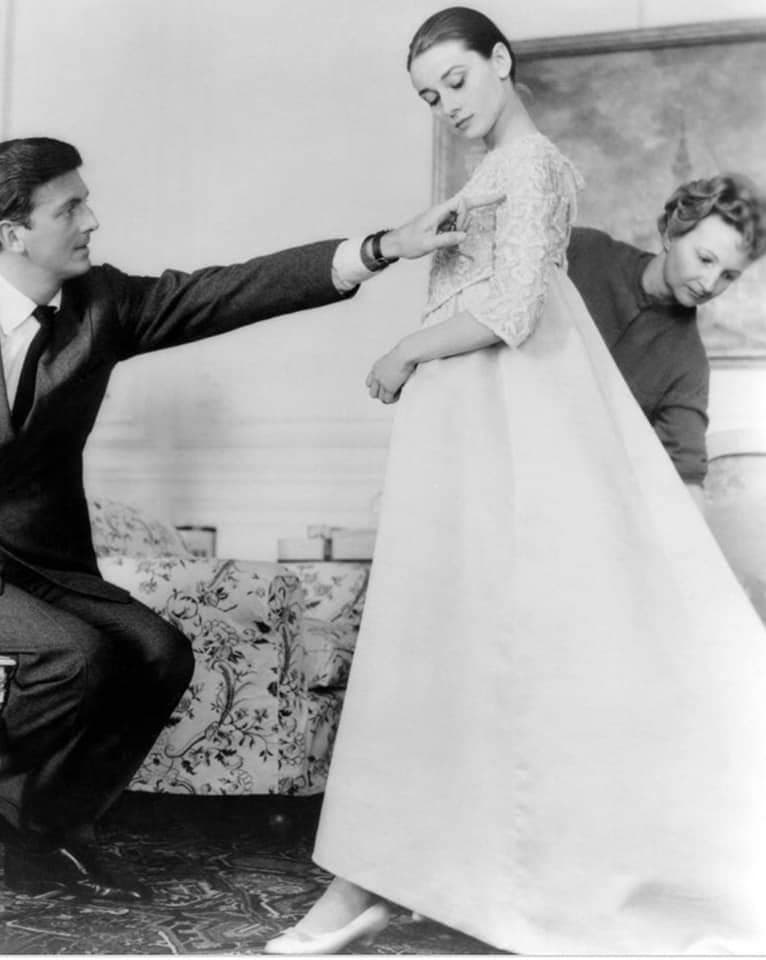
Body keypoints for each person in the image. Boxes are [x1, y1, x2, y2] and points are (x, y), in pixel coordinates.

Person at [264, 7, 766, 955]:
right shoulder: (519, 186)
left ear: (501, 60)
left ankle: (413, 876)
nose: (447, 105)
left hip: (523, 461)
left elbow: (511, 311)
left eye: (457, 80)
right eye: (430, 95)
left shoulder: (531, 165)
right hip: (484, 438)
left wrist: (405, 351)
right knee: (444, 649)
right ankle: (394, 871)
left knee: (477, 654)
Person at [0, 135, 466, 903]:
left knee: (160, 653)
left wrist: (379, 249)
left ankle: (43, 824)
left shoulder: (102, 304)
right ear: (13, 232)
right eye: (70, 208)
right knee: (75, 655)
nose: (92, 220)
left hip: (39, 560)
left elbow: (230, 290)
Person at [567, 173, 764, 511]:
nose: (709, 284)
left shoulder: (688, 364)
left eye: (728, 276)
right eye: (705, 259)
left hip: (575, 497)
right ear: (672, 232)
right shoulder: (584, 251)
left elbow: (685, 478)